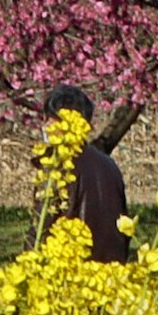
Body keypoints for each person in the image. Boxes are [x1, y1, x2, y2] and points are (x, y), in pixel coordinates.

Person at [38, 86, 136, 264]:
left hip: (69, 269)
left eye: (49, 120)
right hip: (110, 273)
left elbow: (42, 226)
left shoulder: (59, 165)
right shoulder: (110, 164)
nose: (45, 126)